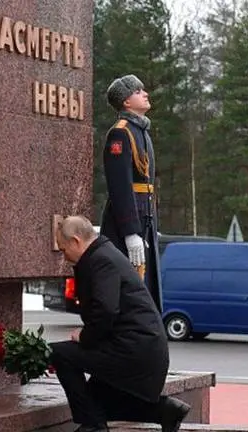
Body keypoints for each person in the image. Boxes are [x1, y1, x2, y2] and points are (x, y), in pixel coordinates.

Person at [50, 216, 190, 432]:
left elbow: (106, 310)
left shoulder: (101, 260)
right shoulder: (103, 255)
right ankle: (165, 411)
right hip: (139, 348)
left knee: (59, 354)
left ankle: (93, 427)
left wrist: (85, 336)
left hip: (134, 351)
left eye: (63, 248)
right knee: (97, 400)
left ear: (76, 241)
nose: (64, 255)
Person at [99, 74, 163, 313]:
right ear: (126, 101)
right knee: (128, 290)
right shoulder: (121, 133)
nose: (145, 94)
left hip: (144, 219)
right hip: (128, 224)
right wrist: (130, 231)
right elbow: (120, 186)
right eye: (138, 91)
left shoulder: (141, 131)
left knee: (144, 289)